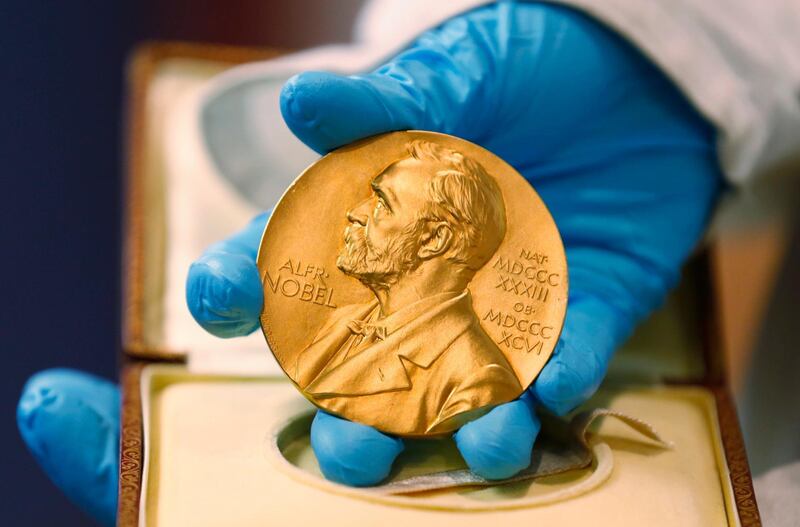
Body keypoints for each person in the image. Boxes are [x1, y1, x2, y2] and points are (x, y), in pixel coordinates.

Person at [16, 1, 800, 525]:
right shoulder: (342, 341)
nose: (351, 209)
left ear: (433, 240)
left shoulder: (470, 373)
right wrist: (677, 37)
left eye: (381, 202)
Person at [294, 139, 520, 435]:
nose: (356, 213)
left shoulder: (477, 380)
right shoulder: (342, 323)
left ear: (433, 239)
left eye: (381, 203)